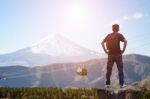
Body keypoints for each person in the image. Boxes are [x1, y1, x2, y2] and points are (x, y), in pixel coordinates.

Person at [101, 24, 127, 88]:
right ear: (118, 28)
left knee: (109, 69)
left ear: (112, 28)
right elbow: (125, 41)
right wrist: (123, 50)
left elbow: (102, 43)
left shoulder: (108, 35)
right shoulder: (119, 35)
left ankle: (107, 84)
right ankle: (121, 84)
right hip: (118, 54)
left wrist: (105, 51)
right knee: (120, 69)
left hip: (110, 54)